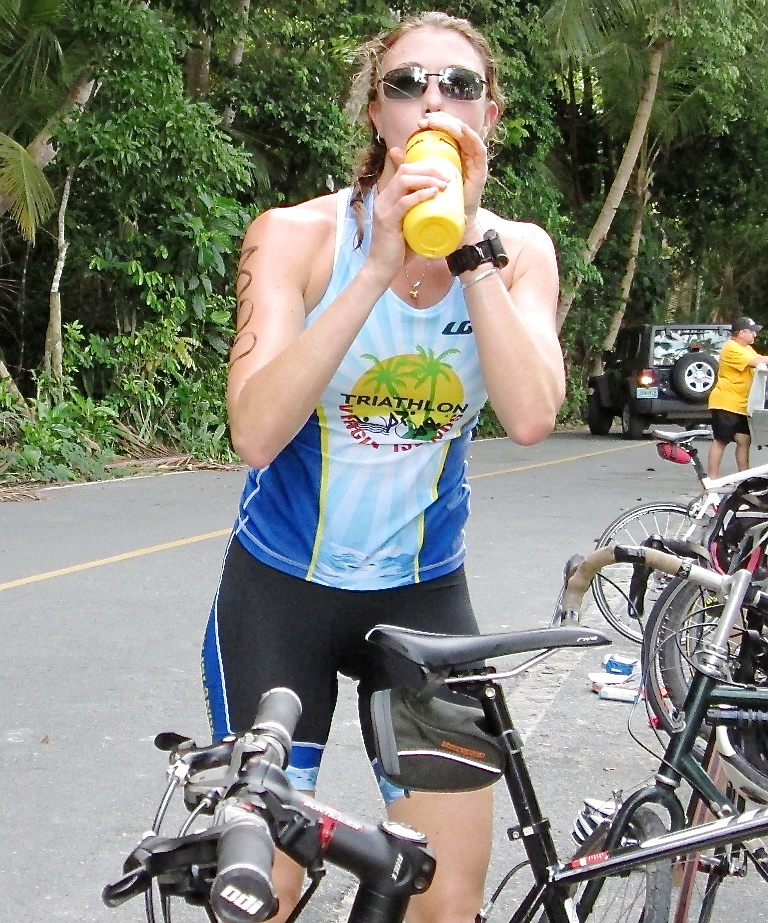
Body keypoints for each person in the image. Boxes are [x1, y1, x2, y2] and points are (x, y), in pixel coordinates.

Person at [201, 12, 565, 923]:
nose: (432, 100)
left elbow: (529, 416)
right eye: (406, 84)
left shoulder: (522, 253)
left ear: (491, 115)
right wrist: (376, 267)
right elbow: (253, 431)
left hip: (422, 602)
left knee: (446, 901)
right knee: (265, 892)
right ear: (376, 113)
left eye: (459, 84)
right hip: (282, 594)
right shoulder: (296, 235)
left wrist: (468, 247)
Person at [707, 316, 768, 479]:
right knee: (721, 441)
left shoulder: (746, 348)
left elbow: (761, 362)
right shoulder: (731, 347)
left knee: (744, 440)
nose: (755, 335)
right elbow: (757, 361)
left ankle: (745, 478)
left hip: (741, 404)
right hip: (726, 402)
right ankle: (712, 480)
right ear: (741, 333)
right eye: (752, 332)